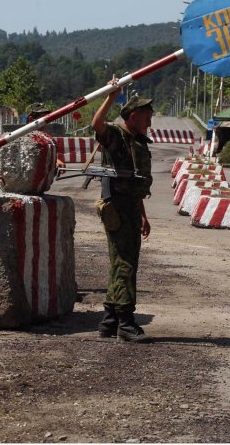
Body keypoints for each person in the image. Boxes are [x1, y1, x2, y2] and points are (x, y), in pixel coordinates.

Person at [92, 83, 153, 343]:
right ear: (132, 116)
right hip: (116, 206)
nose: (151, 117)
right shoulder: (117, 136)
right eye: (146, 113)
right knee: (126, 263)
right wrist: (110, 97)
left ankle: (110, 319)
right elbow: (97, 124)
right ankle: (126, 323)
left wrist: (142, 214)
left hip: (130, 207)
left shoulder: (137, 141)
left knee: (121, 263)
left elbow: (137, 183)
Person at [26, 102, 66, 169]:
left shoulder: (46, 138)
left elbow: (46, 156)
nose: (46, 121)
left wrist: (56, 161)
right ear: (31, 119)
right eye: (42, 118)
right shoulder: (23, 138)